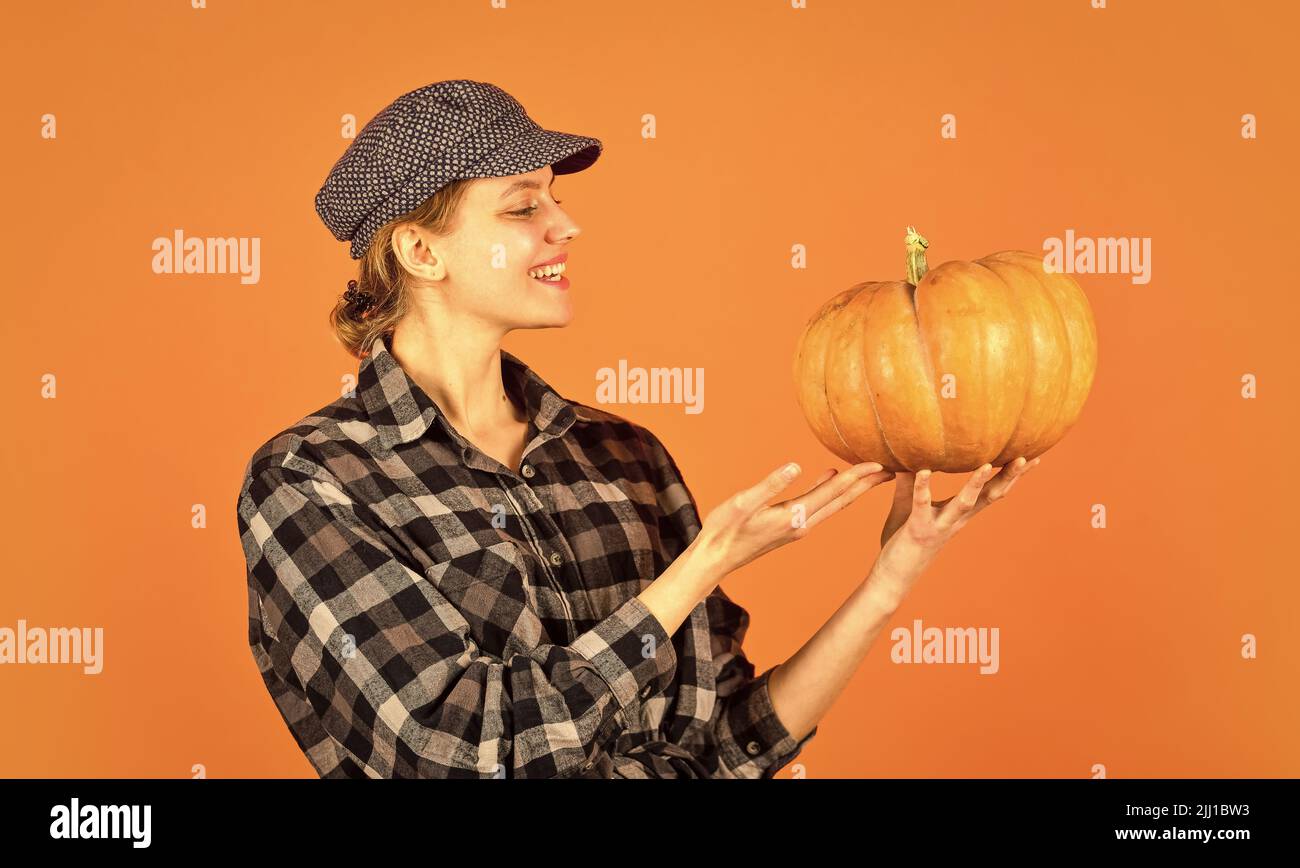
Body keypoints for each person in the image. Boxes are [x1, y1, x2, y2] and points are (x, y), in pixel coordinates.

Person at [235, 79, 1040, 779]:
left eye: (557, 196)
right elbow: (455, 751)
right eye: (523, 205)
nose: (565, 225)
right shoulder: (313, 480)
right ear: (419, 250)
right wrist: (701, 565)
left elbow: (731, 746)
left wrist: (889, 579)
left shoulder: (623, 457)